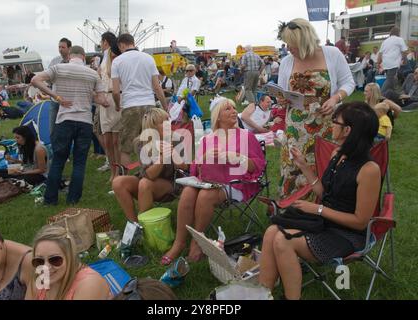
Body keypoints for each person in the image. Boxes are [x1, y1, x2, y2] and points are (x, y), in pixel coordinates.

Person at [259, 102, 382, 300]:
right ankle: (262, 293)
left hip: (347, 235)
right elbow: (325, 192)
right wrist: (303, 165)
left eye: (335, 121)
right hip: (323, 222)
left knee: (283, 241)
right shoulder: (337, 154)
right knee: (271, 231)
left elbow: (360, 221)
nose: (331, 124)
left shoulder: (369, 170)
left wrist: (317, 209)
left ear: (347, 130)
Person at [162, 98, 266, 265]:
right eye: (228, 109)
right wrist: (203, 158)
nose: (234, 111)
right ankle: (179, 243)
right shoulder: (208, 139)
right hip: (209, 180)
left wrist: (237, 157)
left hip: (236, 183)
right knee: (188, 192)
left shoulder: (246, 136)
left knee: (205, 196)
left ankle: (197, 242)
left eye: (234, 108)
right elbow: (195, 169)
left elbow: (257, 166)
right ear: (218, 116)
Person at [277, 18, 355, 198]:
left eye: (292, 45)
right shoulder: (287, 62)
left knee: (325, 165)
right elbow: (282, 91)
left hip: (328, 125)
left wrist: (336, 98)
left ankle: (326, 209)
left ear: (304, 41)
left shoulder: (332, 54)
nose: (288, 49)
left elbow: (349, 82)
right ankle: (293, 209)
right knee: (294, 167)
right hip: (296, 129)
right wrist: (282, 100)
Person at [31, 45, 109, 205]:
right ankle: (73, 199)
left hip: (64, 120)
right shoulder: (93, 73)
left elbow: (35, 80)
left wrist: (56, 96)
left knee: (59, 160)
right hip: (85, 122)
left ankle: (50, 199)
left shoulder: (58, 68)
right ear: (83, 56)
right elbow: (102, 101)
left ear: (70, 56)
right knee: (80, 162)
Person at [112, 108, 187, 223]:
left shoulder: (176, 139)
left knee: (145, 183)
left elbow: (184, 168)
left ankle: (146, 226)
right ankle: (134, 225)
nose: (168, 123)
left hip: (172, 182)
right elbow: (149, 175)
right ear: (153, 127)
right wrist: (162, 157)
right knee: (118, 182)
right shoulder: (142, 143)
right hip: (147, 179)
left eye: (168, 119)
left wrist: (173, 153)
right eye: (163, 122)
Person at [112, 33, 167, 169]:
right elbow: (157, 87)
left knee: (126, 147)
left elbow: (115, 91)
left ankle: (123, 180)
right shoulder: (148, 58)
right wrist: (165, 107)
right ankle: (150, 177)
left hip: (130, 105)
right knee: (150, 144)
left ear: (121, 45)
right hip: (149, 105)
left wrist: (118, 105)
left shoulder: (117, 61)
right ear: (133, 42)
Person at [25, 225, 110, 300]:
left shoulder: (90, 284)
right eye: (39, 261)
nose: (46, 267)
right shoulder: (38, 280)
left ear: (70, 257)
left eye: (55, 260)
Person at [98, 32, 123, 184]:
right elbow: (100, 76)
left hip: (116, 97)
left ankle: (119, 172)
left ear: (105, 41)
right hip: (104, 99)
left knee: (116, 140)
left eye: (101, 41)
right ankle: (113, 170)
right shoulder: (104, 56)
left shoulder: (117, 56)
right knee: (107, 139)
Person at [48, 38, 72, 136]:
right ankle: (54, 148)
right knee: (52, 128)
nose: (60, 49)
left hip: (69, 101)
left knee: (67, 127)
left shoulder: (74, 62)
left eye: (63, 47)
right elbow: (47, 78)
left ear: (69, 48)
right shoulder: (55, 61)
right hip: (55, 100)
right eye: (59, 47)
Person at [378, 27, 408, 95]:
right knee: (389, 80)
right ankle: (380, 95)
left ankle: (392, 95)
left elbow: (380, 54)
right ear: (398, 33)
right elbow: (404, 51)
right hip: (393, 63)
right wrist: (404, 60)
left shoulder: (385, 41)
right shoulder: (399, 39)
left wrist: (378, 63)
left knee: (392, 80)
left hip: (385, 63)